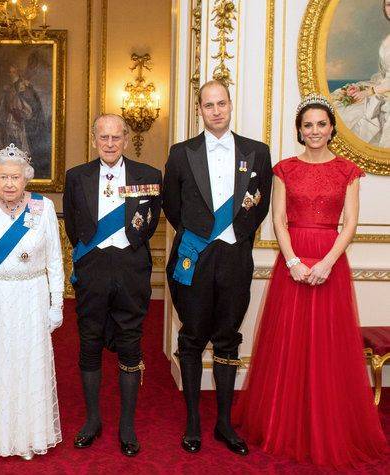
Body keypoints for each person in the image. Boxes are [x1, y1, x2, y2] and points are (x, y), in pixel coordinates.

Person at [234, 94, 388, 468]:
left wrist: (327, 264)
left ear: (332, 128)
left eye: (321, 124)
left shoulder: (348, 171)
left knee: (328, 347)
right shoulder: (284, 169)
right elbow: (278, 220)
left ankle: (326, 426)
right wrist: (292, 262)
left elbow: (349, 224)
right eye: (308, 125)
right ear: (299, 131)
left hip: (330, 262)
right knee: (289, 344)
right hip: (294, 262)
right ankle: (285, 423)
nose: (315, 131)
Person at [162, 80, 273, 455]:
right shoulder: (181, 153)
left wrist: (235, 237)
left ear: (230, 104)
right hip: (195, 256)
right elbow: (172, 205)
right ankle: (193, 421)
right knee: (192, 336)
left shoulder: (257, 152)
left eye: (221, 103)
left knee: (227, 337)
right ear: (200, 110)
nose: (216, 111)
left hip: (235, 257)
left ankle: (224, 423)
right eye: (208, 105)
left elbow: (260, 205)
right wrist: (200, 235)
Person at [63, 114, 162, 457]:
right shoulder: (76, 177)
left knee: (131, 344)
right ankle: (92, 421)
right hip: (93, 270)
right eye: (103, 137)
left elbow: (149, 224)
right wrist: (93, 259)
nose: (109, 143)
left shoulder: (149, 176)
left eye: (116, 137)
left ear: (125, 139)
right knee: (89, 342)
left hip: (131, 269)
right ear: (94, 140)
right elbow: (73, 226)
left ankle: (127, 426)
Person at [0, 143, 63, 461]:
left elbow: (55, 260)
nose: (9, 183)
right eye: (3, 177)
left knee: (29, 363)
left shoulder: (42, 207)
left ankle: (30, 436)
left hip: (32, 295)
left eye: (15, 177)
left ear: (26, 179)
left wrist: (56, 304)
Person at [330, 0, 390, 147]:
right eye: (389, 4)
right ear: (384, 8)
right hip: (383, 88)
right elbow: (384, 75)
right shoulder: (387, 39)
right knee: (338, 106)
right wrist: (363, 88)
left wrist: (370, 92)